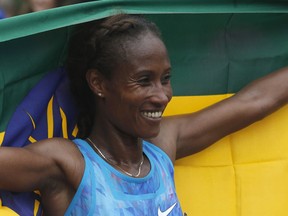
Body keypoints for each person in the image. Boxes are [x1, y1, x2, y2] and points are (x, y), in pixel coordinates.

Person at [0, 13, 288, 215]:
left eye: (165, 78)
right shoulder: (68, 163)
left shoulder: (163, 146)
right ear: (98, 83)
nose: (162, 95)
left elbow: (255, 101)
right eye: (143, 80)